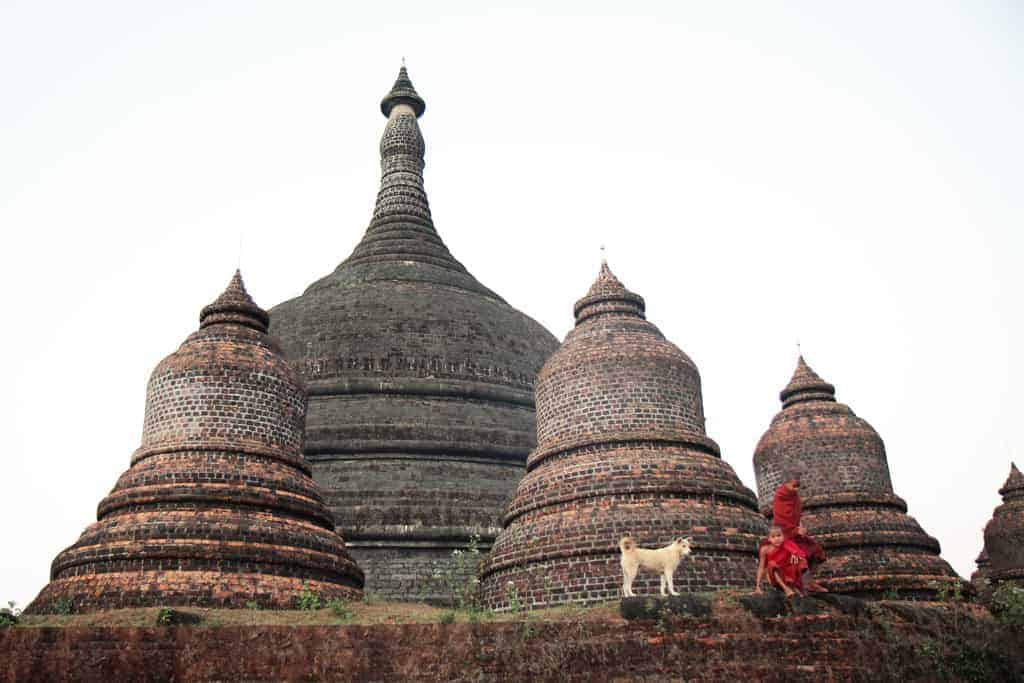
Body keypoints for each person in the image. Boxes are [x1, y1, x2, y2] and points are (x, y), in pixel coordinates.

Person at [772, 469, 828, 593]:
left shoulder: (795, 497)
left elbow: (797, 515)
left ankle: (810, 582)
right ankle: (804, 584)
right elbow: (781, 520)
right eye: (794, 486)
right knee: (799, 555)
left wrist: (800, 527)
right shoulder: (780, 496)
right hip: (784, 535)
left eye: (798, 486)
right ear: (786, 483)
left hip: (796, 533)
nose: (797, 489)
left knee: (816, 550)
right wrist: (795, 530)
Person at [756, 526, 807, 596]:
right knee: (771, 564)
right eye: (773, 537)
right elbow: (761, 567)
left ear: (783, 537)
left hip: (787, 574)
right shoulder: (765, 549)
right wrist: (757, 586)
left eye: (779, 535)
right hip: (774, 576)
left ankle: (795, 586)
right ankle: (786, 589)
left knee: (800, 560)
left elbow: (800, 554)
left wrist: (795, 554)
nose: (777, 539)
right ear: (769, 539)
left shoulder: (787, 544)